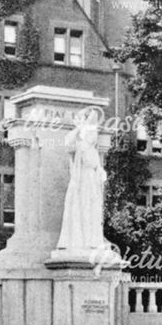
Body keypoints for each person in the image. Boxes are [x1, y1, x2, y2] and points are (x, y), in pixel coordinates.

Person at [56, 107, 109, 250]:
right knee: (80, 207)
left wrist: (100, 171)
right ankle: (79, 241)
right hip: (81, 179)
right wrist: (79, 130)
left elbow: (96, 164)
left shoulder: (92, 149)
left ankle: (92, 241)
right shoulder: (79, 141)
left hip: (91, 179)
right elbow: (69, 145)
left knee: (91, 208)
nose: (94, 136)